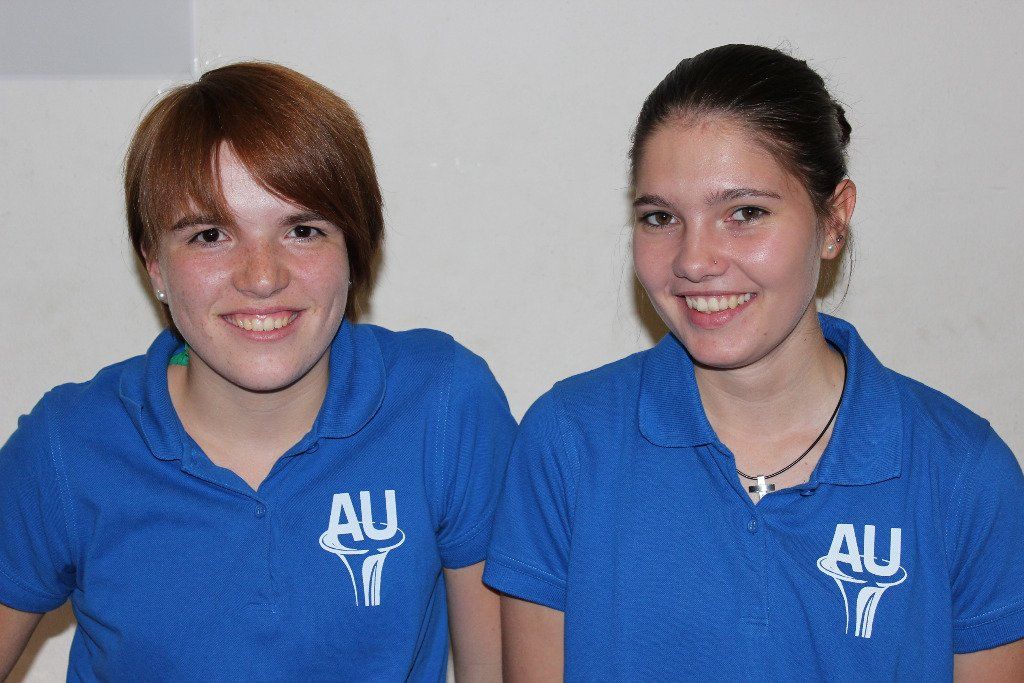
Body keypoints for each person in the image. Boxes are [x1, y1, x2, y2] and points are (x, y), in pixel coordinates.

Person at [484, 44, 1024, 680]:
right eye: (661, 217)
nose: (693, 261)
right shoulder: (570, 443)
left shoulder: (962, 474)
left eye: (745, 213)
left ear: (833, 219)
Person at [0, 62, 513, 681]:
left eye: (303, 230)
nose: (262, 277)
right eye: (210, 235)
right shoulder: (68, 446)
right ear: (154, 264)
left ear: (354, 250)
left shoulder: (444, 404)